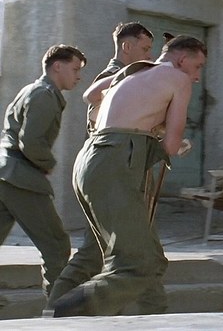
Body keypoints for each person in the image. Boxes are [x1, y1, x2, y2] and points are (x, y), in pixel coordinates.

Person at [50, 36, 207, 317]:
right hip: (115, 165)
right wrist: (170, 139)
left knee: (147, 258)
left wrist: (141, 116)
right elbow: (172, 146)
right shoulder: (178, 79)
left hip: (89, 159)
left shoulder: (131, 71)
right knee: (136, 263)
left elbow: (91, 95)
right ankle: (64, 312)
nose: (196, 77)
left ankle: (151, 317)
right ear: (183, 60)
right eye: (197, 67)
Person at [47, 22, 155, 309]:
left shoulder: (129, 78)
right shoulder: (114, 79)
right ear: (127, 46)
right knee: (95, 254)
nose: (149, 56)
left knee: (135, 254)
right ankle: (54, 311)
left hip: (119, 177)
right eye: (145, 49)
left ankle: (148, 314)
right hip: (110, 178)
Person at [0, 45, 86, 298]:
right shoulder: (45, 95)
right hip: (21, 177)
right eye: (75, 69)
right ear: (57, 66)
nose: (78, 76)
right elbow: (31, 142)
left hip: (6, 172)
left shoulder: (31, 90)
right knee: (56, 245)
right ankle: (57, 309)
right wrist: (47, 163)